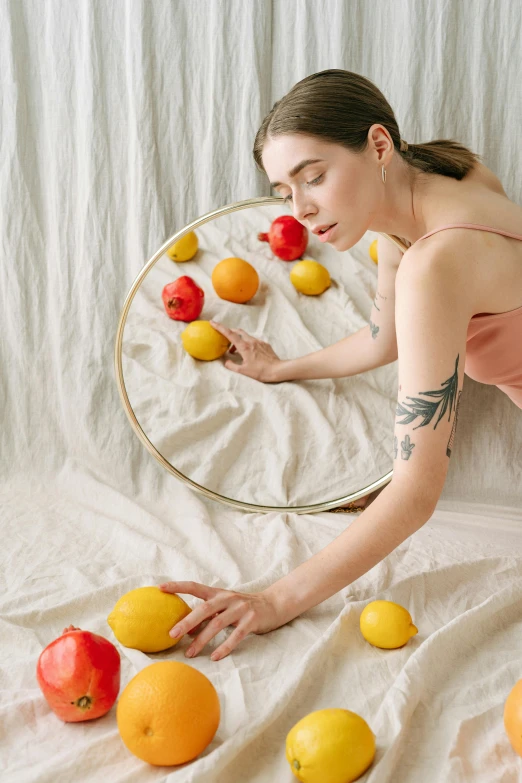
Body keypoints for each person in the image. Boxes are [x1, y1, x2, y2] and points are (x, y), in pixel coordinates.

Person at [159, 69, 522, 662]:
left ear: (379, 145)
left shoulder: (434, 263)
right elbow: (385, 339)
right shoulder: (448, 179)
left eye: (315, 177)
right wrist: (280, 369)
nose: (301, 209)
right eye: (284, 192)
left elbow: (416, 491)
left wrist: (277, 599)